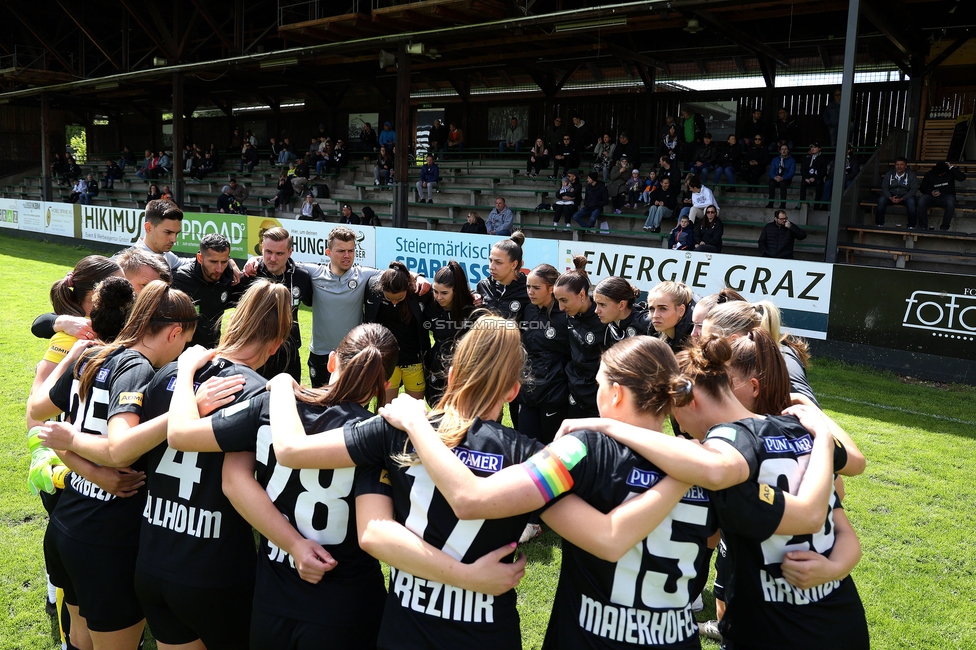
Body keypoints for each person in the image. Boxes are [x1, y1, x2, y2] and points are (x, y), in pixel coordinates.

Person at [375, 335, 716, 650]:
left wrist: (417, 424)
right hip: (676, 638)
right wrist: (685, 473)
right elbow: (714, 541)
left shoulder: (582, 450)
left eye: (598, 384)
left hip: (589, 639)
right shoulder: (710, 465)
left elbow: (472, 498)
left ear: (616, 394)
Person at [557, 335, 868, 650]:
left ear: (689, 400)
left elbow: (804, 512)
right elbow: (848, 480)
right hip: (841, 618)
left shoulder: (724, 452)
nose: (677, 426)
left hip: (774, 630)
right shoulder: (800, 431)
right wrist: (823, 433)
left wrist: (611, 427)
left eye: (674, 412)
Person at [268, 315, 545, 649]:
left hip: (404, 633)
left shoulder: (396, 428)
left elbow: (292, 450)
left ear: (451, 375)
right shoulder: (531, 454)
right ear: (513, 391)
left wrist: (283, 384)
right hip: (487, 634)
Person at [27, 281, 198, 650]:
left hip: (67, 521)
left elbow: (39, 416)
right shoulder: (136, 368)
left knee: (80, 639)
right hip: (105, 538)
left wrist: (86, 468)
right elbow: (120, 447)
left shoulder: (95, 355)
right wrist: (187, 411)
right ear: (173, 332)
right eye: (184, 343)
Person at [703, 299, 819, 407]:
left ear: (734, 340)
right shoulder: (740, 366)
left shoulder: (784, 363)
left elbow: (814, 414)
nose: (702, 348)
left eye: (710, 341)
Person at [248, 227, 314, 381]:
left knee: (291, 400)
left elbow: (310, 301)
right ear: (262, 249)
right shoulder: (250, 275)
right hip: (255, 353)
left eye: (279, 253)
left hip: (288, 354)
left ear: (290, 252)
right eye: (268, 252)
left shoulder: (301, 277)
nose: (272, 258)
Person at [517, 264, 571, 444]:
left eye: (536, 288)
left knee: (551, 449)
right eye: (528, 287)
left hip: (553, 394)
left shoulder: (565, 314)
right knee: (525, 446)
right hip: (527, 392)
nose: (530, 292)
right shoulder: (528, 310)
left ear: (551, 289)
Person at [364, 262, 433, 404]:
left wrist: (418, 276)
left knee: (415, 413)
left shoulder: (419, 293)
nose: (394, 302)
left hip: (413, 362)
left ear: (408, 289)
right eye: (389, 298)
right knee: (384, 412)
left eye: (399, 298)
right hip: (387, 361)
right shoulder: (373, 287)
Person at [553, 256, 608, 418]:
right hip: (573, 395)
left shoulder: (604, 319)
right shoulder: (569, 315)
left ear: (582, 295)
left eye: (564, 300)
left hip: (599, 398)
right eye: (557, 301)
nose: (561, 307)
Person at [172, 233, 246, 348]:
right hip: (181, 354)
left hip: (212, 352)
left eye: (224, 261)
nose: (219, 269)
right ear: (200, 258)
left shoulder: (230, 277)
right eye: (213, 262)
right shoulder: (180, 279)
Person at [425, 261, 475, 407]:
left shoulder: (472, 310)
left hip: (464, 369)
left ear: (456, 290)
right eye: (435, 291)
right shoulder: (430, 306)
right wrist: (418, 276)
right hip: (437, 366)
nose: (439, 297)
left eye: (444, 293)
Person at [477, 233, 529, 323]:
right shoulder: (484, 286)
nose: (491, 267)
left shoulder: (528, 290)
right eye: (490, 260)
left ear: (514, 265)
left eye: (498, 262)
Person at [593, 276, 651, 346]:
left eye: (602, 305)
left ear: (621, 305)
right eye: (596, 304)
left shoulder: (648, 323)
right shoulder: (611, 327)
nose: (596, 311)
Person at [647, 280, 696, 353]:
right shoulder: (652, 335)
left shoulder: (695, 341)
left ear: (681, 310)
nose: (655, 315)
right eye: (652, 309)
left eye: (663, 308)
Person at [917, 161, 967, 231]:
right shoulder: (929, 174)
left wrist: (951, 167)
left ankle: (944, 228)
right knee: (921, 201)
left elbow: (962, 178)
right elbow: (922, 188)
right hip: (932, 196)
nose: (940, 175)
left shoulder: (950, 173)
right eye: (938, 174)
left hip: (947, 196)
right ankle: (923, 226)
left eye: (942, 174)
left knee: (951, 202)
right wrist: (931, 192)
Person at [876, 157, 918, 227]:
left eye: (901, 165)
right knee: (881, 200)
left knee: (911, 202)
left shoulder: (911, 175)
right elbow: (884, 188)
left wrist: (902, 198)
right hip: (891, 196)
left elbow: (913, 190)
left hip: (905, 196)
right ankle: (879, 224)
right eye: (897, 164)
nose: (899, 167)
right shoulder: (889, 174)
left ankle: (911, 226)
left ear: (905, 166)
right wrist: (890, 197)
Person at [798, 142, 829, 208]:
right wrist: (806, 178)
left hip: (817, 179)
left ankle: (816, 205)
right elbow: (802, 169)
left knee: (819, 184)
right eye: (812, 147)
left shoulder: (823, 159)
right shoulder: (806, 157)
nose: (812, 149)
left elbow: (823, 172)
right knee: (803, 183)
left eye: (815, 147)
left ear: (819, 148)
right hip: (807, 178)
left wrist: (815, 178)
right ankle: (801, 203)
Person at [766, 144, 796, 209]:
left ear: (788, 151)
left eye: (785, 149)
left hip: (785, 178)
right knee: (771, 182)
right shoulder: (775, 159)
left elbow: (791, 172)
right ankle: (770, 203)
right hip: (776, 177)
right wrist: (775, 177)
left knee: (783, 184)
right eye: (782, 149)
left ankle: (783, 204)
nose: (784, 151)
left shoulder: (792, 160)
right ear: (780, 151)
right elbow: (771, 171)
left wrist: (783, 178)